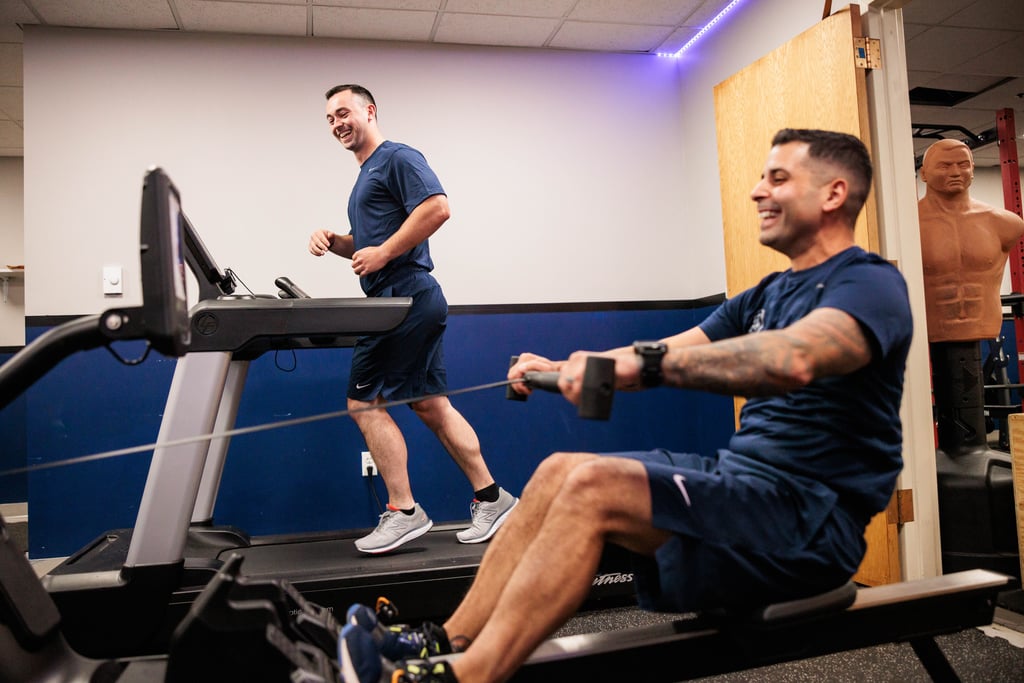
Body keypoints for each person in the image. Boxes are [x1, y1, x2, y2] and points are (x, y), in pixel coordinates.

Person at [339, 128, 913, 683]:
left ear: (834, 193)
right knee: (558, 472)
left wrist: (646, 364)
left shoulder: (869, 283)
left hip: (808, 522)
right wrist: (562, 367)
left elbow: (795, 358)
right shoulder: (766, 295)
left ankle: (467, 676)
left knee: (594, 488)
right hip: (745, 487)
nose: (758, 191)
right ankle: (444, 642)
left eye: (778, 179)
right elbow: (665, 352)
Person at [309, 84, 516, 554]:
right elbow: (368, 246)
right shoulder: (365, 176)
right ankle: (493, 499)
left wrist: (383, 252)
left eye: (343, 113)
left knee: (363, 404)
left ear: (369, 111)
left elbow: (438, 208)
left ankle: (403, 511)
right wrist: (336, 241)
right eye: (330, 119)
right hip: (409, 297)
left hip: (401, 298)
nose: (337, 123)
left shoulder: (397, 157)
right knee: (431, 405)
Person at [918, 138, 1024, 343]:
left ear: (972, 169)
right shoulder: (908, 224)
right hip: (928, 331)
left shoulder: (1005, 223)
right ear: (923, 174)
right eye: (944, 166)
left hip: (985, 326)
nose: (956, 172)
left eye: (963, 164)